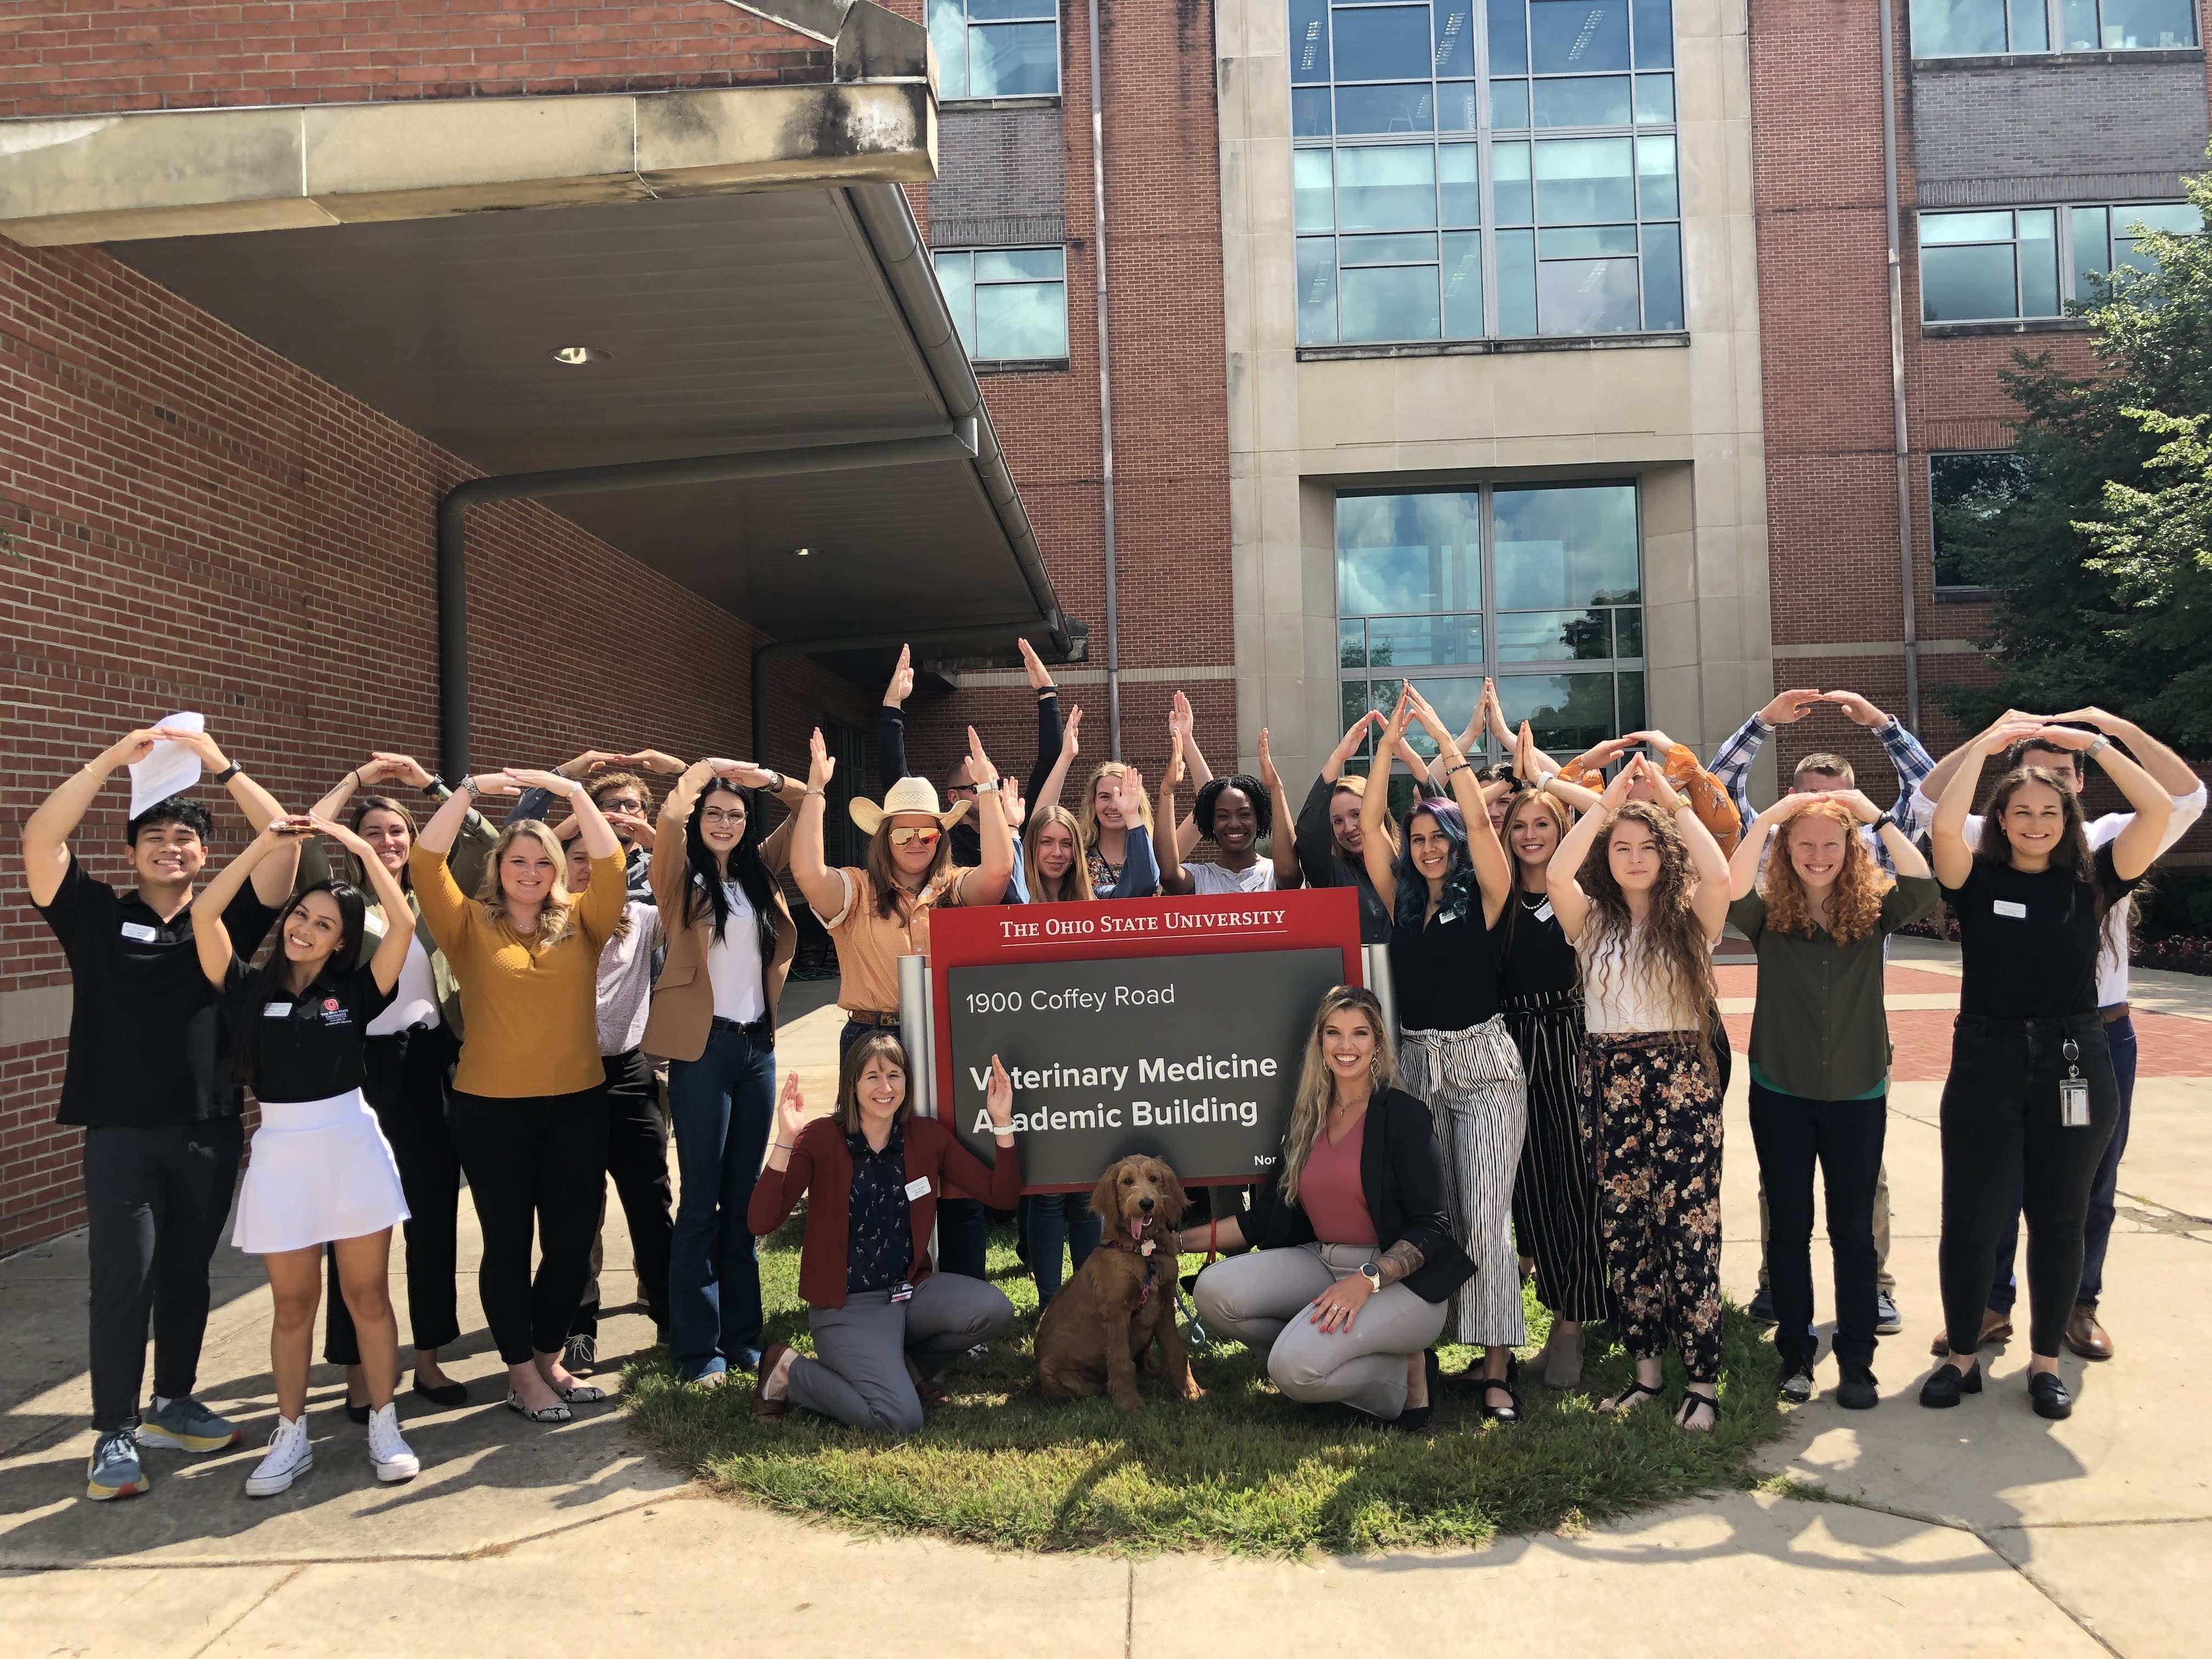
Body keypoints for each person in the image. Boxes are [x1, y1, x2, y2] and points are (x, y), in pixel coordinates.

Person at [22, 724, 300, 1502]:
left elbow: (283, 849)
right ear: (133, 851)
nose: (170, 848)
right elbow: (43, 837)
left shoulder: (225, 923)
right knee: (125, 1279)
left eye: (185, 838)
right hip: (121, 1134)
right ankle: (114, 1428)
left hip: (209, 1128)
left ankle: (172, 1401)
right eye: (155, 837)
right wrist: (112, 762)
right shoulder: (94, 917)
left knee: (187, 1275)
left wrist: (222, 767)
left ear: (205, 855)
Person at [1911, 709, 2204, 1363]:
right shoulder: (1976, 879)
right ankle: (1976, 1330)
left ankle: (2053, 1347)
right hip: (1990, 1054)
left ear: (2071, 815)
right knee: (1978, 1209)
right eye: (2022, 812)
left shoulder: (2097, 875)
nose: (2037, 822)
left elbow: (2160, 810)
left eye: (2052, 810)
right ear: (2001, 820)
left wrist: (2098, 741)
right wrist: (1987, 746)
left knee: (2067, 1209)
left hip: (2078, 1053)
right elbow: (1940, 821)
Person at [193, 814, 422, 1494]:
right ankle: (290, 1434)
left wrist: (356, 847)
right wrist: (268, 846)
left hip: (351, 1145)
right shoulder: (244, 987)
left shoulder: (354, 990)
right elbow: (207, 915)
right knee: (293, 1307)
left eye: (324, 924)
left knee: (368, 1297)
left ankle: (385, 1422)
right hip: (283, 1153)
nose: (305, 929)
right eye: (301, 914)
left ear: (342, 941)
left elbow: (403, 923)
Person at [409, 767, 628, 1421]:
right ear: (498, 867)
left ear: (558, 869)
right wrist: (469, 792)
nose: (530, 872)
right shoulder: (467, 926)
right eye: (518, 861)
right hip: (491, 1112)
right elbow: (425, 861)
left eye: (542, 861)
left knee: (569, 1246)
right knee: (508, 1245)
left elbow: (612, 862)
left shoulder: (585, 924)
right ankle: (520, 1375)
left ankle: (546, 1356)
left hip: (577, 1106)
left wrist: (576, 795)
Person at [1708, 691, 1925, 1334]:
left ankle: (1874, 1286)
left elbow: (1926, 793)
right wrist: (1761, 725)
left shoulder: (1876, 857)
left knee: (1864, 1185)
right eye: (1806, 801)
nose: (1819, 822)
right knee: (1785, 1183)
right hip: (1790, 1051)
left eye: (1834, 803)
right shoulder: (1778, 858)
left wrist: (1883, 727)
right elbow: (1720, 795)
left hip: (1858, 1046)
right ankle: (1779, 1283)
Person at [1727, 790, 1937, 1410]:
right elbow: (1728, 884)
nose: (1818, 856)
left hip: (1858, 1090)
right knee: (1790, 1230)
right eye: (1804, 844)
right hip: (1781, 1090)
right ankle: (1795, 1354)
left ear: (1852, 852)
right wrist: (1766, 820)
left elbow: (1924, 886)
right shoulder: (1767, 914)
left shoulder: (1873, 911)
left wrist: (1874, 816)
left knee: (1853, 1233)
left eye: (1831, 844)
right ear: (1786, 852)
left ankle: (1856, 1362)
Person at [298, 753, 494, 1414]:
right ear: (357, 846)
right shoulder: (342, 905)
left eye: (398, 831)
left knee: (433, 1219)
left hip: (433, 1064)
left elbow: (487, 843)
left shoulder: (432, 897)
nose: (388, 841)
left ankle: (430, 1361)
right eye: (375, 832)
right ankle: (357, 1372)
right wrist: (358, 782)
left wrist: (429, 787)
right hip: (362, 1071)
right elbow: (303, 838)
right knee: (355, 1227)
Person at [1546, 753, 1733, 1432]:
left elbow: (1719, 872)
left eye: (1647, 846)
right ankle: (1648, 1374)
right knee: (1626, 1233)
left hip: (1679, 1081)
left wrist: (1668, 799)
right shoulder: (1590, 920)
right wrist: (1605, 807)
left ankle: (1704, 1381)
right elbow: (1558, 872)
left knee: (1689, 1230)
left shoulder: (1692, 919)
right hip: (1609, 1082)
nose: (1633, 857)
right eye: (1621, 848)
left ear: (1665, 853)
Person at [1185, 986, 1472, 1428]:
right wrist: (1174, 1242)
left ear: (1378, 1042)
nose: (1346, 1046)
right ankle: (1335, 1354)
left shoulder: (1404, 1115)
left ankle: (1410, 1375)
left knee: (1292, 1371)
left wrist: (1366, 1281)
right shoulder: (1308, 1118)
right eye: (1334, 1033)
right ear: (1320, 1043)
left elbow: (1431, 1228)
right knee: (1212, 1291)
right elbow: (1262, 1218)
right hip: (1321, 1262)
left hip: (1400, 1285)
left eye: (1360, 1033)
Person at [790, 725, 1012, 1282]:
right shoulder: (857, 889)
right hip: (869, 1043)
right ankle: (879, 1289)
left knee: (955, 1175)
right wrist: (816, 792)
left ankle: (962, 1296)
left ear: (941, 837)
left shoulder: (953, 889)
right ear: (884, 837)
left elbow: (1000, 874)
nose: (917, 843)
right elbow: (807, 874)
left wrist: (986, 792)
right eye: (904, 833)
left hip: (940, 1043)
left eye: (928, 834)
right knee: (876, 1171)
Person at [1357, 687, 1524, 1417]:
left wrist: (1445, 750)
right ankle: (1426, 1352)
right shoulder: (1399, 898)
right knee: (1435, 1214)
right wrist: (1388, 751)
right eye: (1417, 837)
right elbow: (1367, 825)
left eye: (1437, 837)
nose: (1426, 848)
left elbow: (1485, 822)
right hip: (1419, 1063)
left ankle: (1495, 1369)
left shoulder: (1485, 893)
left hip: (1485, 1068)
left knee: (1487, 1216)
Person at [749, 1036, 1021, 1434]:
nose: (886, 1087)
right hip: (848, 1307)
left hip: (910, 1294)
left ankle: (904, 1365)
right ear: (852, 1084)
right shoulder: (821, 1139)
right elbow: (761, 1222)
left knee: (995, 1310)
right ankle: (790, 1371)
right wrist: (786, 1138)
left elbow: (1003, 1194)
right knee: (900, 1419)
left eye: (895, 1075)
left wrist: (1002, 1121)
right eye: (872, 1076)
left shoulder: (926, 1138)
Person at [644, 758, 801, 1384]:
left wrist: (767, 777)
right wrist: (702, 773)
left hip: (755, 1052)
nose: (726, 823)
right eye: (715, 814)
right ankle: (697, 1350)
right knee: (702, 1203)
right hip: (703, 1052)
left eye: (735, 815)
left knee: (743, 1202)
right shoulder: (681, 880)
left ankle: (742, 1338)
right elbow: (666, 818)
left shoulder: (757, 873)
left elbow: (804, 808)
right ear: (700, 821)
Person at [1492, 723, 1610, 1390]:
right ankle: (1546, 1310)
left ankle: (1573, 1325)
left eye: (1543, 823)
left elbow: (1602, 811)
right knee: (1529, 1188)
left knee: (1577, 1185)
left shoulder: (1580, 889)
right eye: (1521, 825)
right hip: (1511, 1047)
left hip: (1570, 1044)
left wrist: (1540, 774)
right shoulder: (1498, 895)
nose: (1531, 834)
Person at [551, 821, 672, 1373]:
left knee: (650, 1204)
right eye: (576, 857)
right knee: (575, 1211)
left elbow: (692, 897)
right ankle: (579, 1329)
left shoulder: (644, 921)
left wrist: (660, 836)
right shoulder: (539, 926)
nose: (587, 868)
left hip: (628, 1074)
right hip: (562, 1081)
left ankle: (671, 1319)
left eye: (600, 861)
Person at [1293, 710, 1406, 944]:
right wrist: (1338, 759)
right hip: (1357, 978)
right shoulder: (1332, 873)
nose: (1350, 827)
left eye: (1357, 815)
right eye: (1338, 821)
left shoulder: (1411, 861)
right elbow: (1309, 833)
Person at [1158, 726, 1300, 895]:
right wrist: (1167, 791)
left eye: (1244, 814)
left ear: (1259, 819)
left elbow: (1288, 874)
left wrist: (1276, 788)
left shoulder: (1273, 873)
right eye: (1223, 816)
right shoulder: (1199, 877)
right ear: (1211, 823)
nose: (1234, 823)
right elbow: (1168, 874)